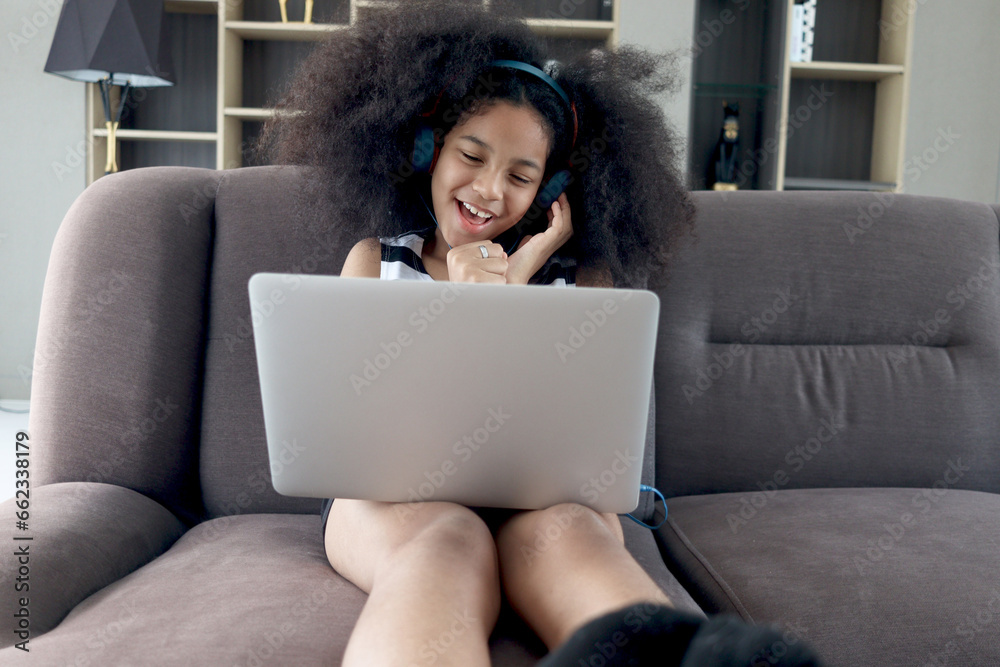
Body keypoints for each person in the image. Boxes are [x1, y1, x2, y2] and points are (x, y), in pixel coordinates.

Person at [252, 2, 821, 665]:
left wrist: (512, 281)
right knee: (442, 544)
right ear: (427, 148)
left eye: (521, 176)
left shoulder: (585, 281)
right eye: (471, 154)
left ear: (550, 190)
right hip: (397, 503)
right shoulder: (374, 260)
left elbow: (593, 446)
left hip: (550, 504)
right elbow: (344, 430)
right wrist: (465, 298)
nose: (490, 190)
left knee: (572, 537)